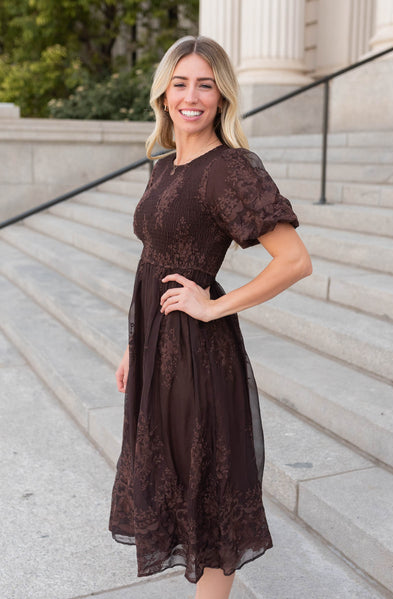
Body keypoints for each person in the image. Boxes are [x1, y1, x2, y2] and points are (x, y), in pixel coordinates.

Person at [109, 35, 312, 599]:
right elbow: (153, 260)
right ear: (164, 94)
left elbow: (295, 260)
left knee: (207, 492)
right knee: (173, 479)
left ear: (222, 96)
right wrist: (134, 345)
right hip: (157, 347)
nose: (191, 96)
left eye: (205, 84)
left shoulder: (231, 169)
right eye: (180, 83)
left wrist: (215, 303)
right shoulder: (165, 165)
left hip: (198, 351)